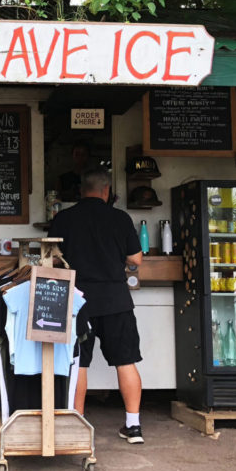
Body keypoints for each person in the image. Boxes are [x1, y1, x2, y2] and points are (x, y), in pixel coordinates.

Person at [48, 167, 146, 444]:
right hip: (116, 299)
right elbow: (136, 260)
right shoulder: (120, 218)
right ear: (106, 191)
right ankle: (133, 426)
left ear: (81, 191)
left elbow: (53, 259)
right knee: (125, 360)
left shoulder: (64, 218)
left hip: (78, 301)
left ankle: (77, 423)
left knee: (78, 362)